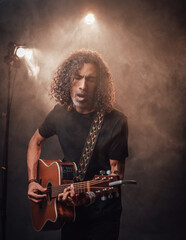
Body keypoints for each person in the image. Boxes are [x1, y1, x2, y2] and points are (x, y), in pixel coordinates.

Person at [27, 49, 128, 240]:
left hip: (102, 214)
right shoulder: (59, 113)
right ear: (68, 79)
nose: (83, 85)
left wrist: (88, 196)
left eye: (90, 79)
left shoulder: (116, 121)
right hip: (67, 210)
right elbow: (35, 142)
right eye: (78, 77)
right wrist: (32, 181)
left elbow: (117, 176)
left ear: (99, 84)